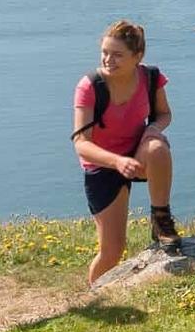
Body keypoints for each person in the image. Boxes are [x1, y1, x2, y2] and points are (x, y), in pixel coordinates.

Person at [73, 19, 180, 285]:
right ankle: (95, 298)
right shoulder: (90, 86)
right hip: (103, 165)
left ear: (138, 56)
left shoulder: (151, 78)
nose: (108, 60)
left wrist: (153, 128)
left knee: (158, 147)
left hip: (137, 154)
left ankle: (161, 221)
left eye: (118, 55)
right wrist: (117, 161)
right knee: (112, 252)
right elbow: (81, 144)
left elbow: (164, 114)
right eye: (105, 53)